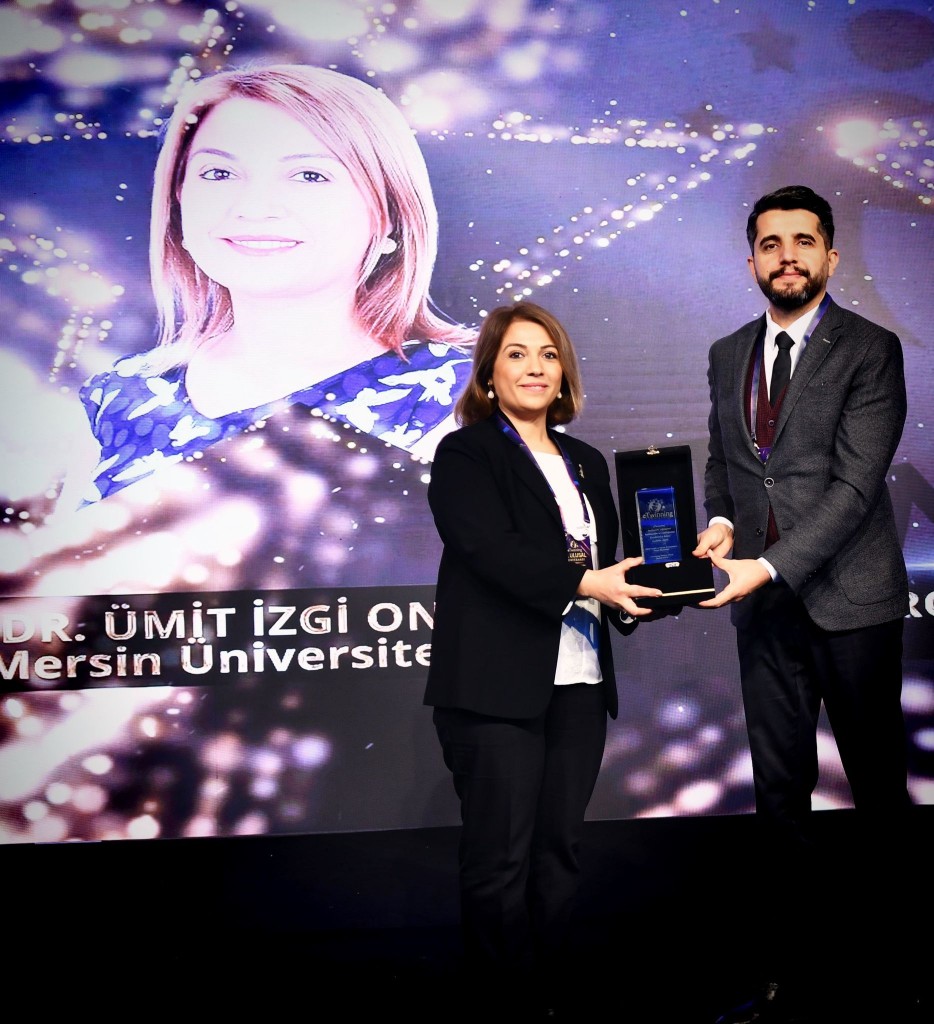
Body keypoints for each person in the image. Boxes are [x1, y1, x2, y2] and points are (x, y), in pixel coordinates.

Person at [693, 185, 918, 1022]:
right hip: (766, 614)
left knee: (878, 798)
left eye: (803, 241)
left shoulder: (871, 348)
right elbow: (727, 463)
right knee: (778, 802)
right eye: (770, 243)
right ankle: (783, 976)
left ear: (830, 255)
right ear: (751, 259)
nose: (786, 256)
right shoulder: (727, 353)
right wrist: (722, 523)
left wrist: (767, 566)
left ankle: (898, 974)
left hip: (851, 602)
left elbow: (856, 488)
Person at [59, 63, 474, 511]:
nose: (253, 207)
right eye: (219, 173)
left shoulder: (459, 395)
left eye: (309, 176)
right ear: (178, 199)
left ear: (388, 212)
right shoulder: (117, 394)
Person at [424, 301, 666, 1020]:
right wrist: (589, 584)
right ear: (489, 376)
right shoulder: (467, 454)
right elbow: (489, 550)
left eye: (549, 355)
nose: (535, 367)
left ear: (564, 375)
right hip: (495, 689)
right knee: (500, 859)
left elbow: (603, 562)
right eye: (517, 354)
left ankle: (549, 997)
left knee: (559, 850)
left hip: (579, 683)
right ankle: (506, 1008)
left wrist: (643, 593)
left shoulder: (587, 461)